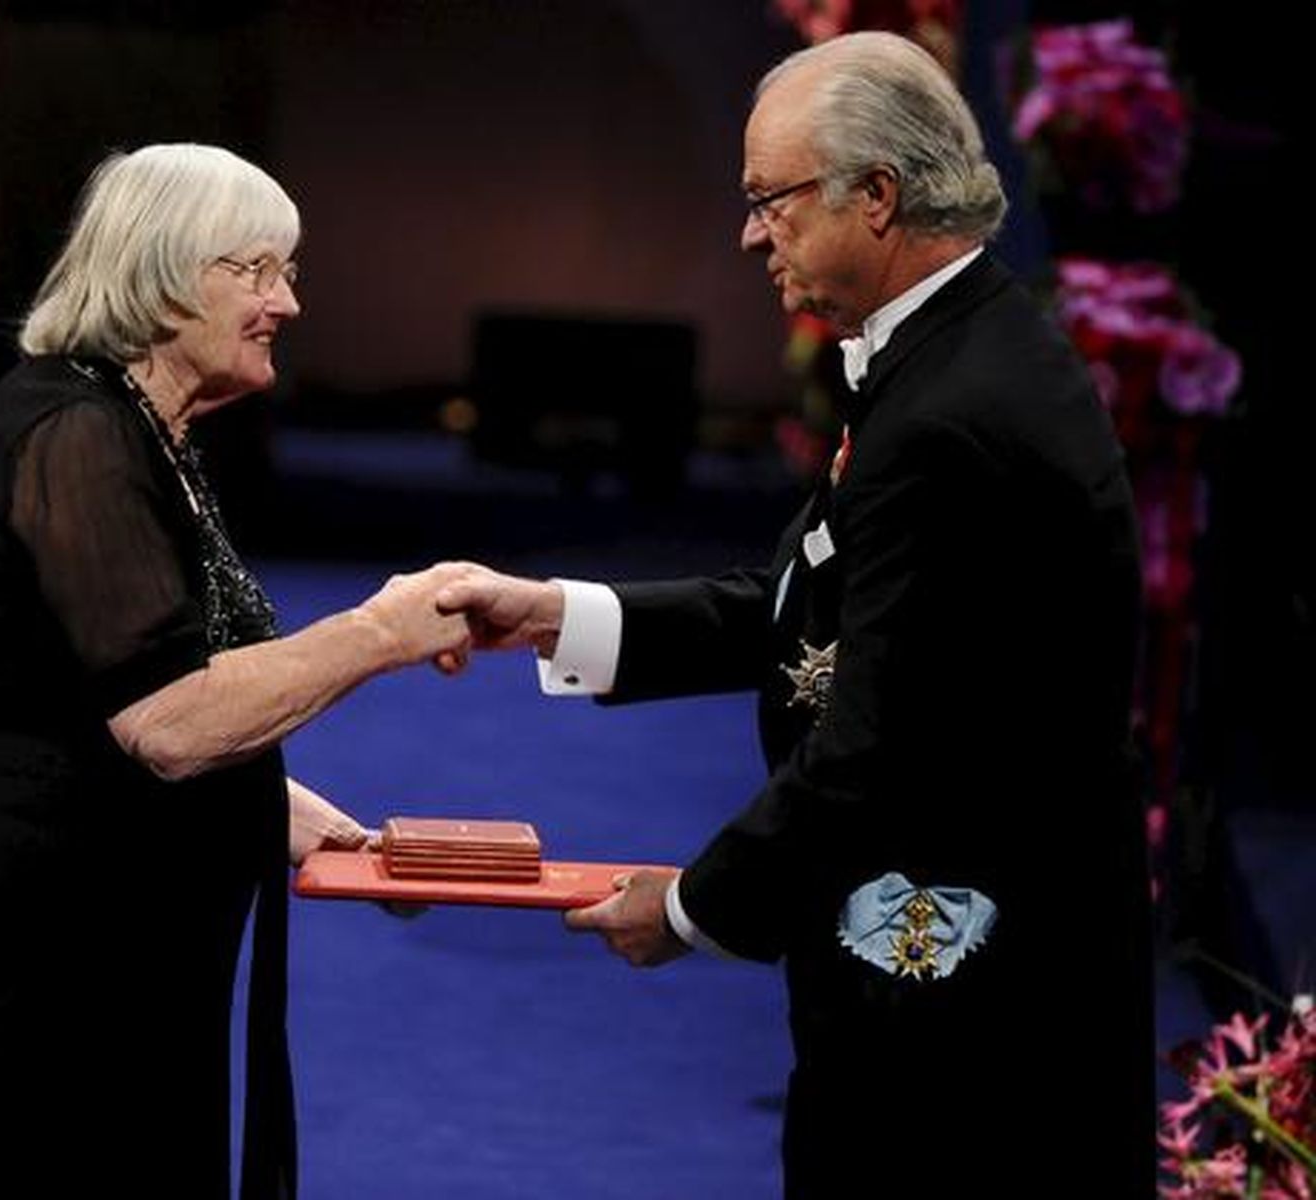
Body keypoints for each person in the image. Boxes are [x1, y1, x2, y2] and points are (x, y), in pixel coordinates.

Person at [437, 32, 1155, 1200]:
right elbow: (803, 610)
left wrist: (686, 909)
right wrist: (555, 617)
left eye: (770, 197)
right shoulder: (956, 352)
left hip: (965, 1001)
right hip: (976, 957)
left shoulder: (948, 416)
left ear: (876, 197)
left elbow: (875, 746)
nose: (748, 230)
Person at [0, 144, 472, 1200]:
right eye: (259, 272)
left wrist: (302, 822)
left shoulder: (141, 431)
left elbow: (83, 696)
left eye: (290, 273)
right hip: (27, 949)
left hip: (101, 928)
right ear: (165, 275)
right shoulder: (77, 433)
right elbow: (167, 721)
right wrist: (381, 630)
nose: (288, 304)